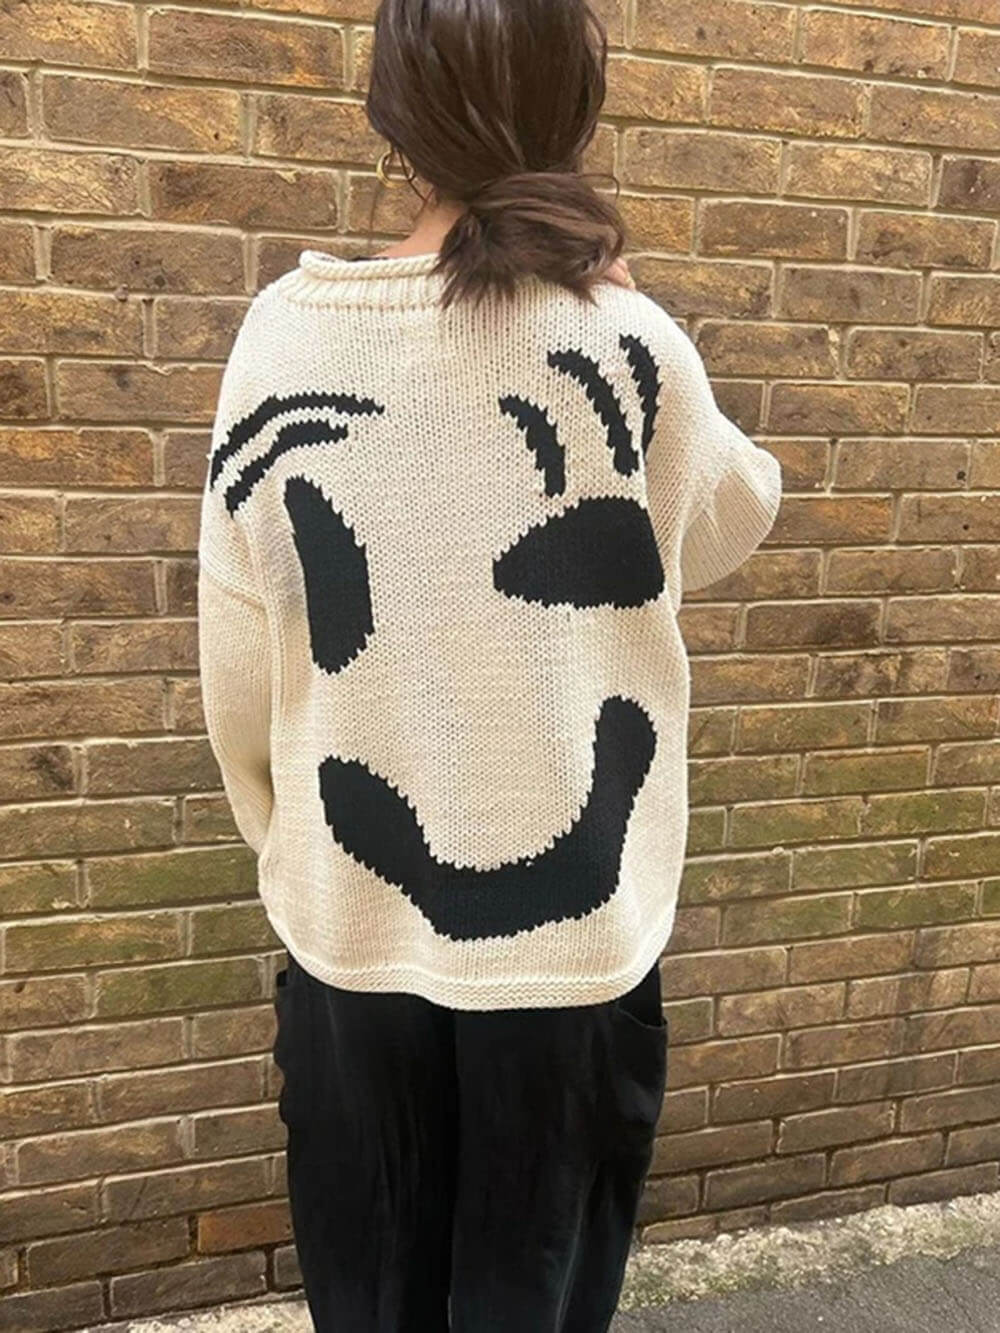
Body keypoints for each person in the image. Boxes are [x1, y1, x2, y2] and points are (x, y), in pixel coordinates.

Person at [196, 1, 782, 1328]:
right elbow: (737, 512)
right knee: (540, 1293)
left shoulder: (283, 340)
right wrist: (630, 307)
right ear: (573, 108)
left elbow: (238, 671)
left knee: (372, 1296)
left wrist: (297, 856)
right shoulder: (629, 347)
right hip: (576, 956)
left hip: (350, 936)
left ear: (394, 115)